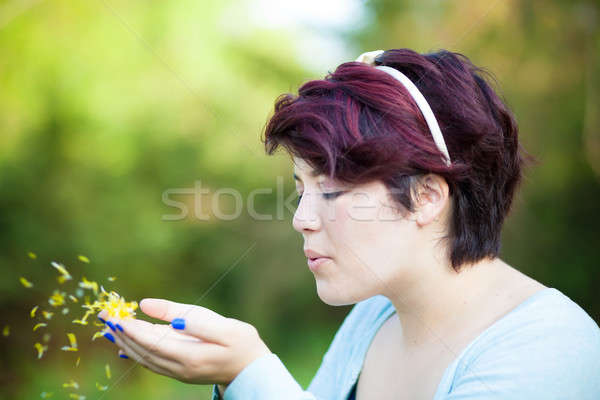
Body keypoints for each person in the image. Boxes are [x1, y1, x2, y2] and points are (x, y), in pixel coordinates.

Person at [98, 48, 600, 399]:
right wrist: (234, 377)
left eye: (332, 190)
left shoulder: (552, 351)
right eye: (301, 190)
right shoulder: (374, 317)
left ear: (426, 197)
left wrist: (251, 375)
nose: (301, 220)